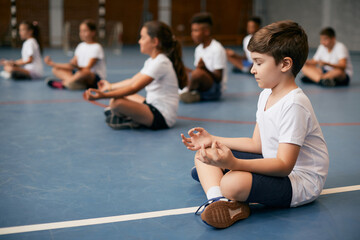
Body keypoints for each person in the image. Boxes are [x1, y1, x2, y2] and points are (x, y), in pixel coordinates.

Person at [181, 20, 329, 229]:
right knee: (205, 153)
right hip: (272, 163)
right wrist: (212, 139)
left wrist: (234, 164)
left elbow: (284, 165)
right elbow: (256, 144)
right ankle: (219, 201)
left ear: (285, 64)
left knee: (231, 182)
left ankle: (227, 192)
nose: (252, 70)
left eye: (259, 63)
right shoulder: (266, 94)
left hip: (299, 182)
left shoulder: (295, 104)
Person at [84, 21, 187, 130]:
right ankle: (125, 114)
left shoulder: (161, 62)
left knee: (116, 102)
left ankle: (127, 117)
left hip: (161, 117)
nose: (139, 41)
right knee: (120, 95)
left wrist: (103, 96)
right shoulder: (152, 61)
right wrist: (109, 87)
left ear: (155, 41)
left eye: (142, 38)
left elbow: (134, 88)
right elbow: (133, 80)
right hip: (151, 106)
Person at [44, 19, 106, 90]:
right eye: (81, 31)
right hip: (78, 74)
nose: (82, 33)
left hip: (92, 77)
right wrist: (52, 64)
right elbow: (71, 66)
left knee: (84, 73)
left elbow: (87, 69)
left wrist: (76, 66)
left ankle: (64, 83)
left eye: (85, 31)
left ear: (93, 32)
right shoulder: (80, 46)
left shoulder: (97, 47)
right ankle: (74, 83)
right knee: (55, 69)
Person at [179, 12, 227, 103]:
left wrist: (204, 68)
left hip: (214, 90)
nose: (192, 34)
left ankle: (187, 91)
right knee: (180, 69)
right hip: (203, 84)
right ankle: (193, 93)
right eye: (192, 30)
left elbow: (218, 78)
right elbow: (196, 72)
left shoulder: (217, 48)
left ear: (206, 31)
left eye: (196, 30)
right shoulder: (198, 49)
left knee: (198, 73)